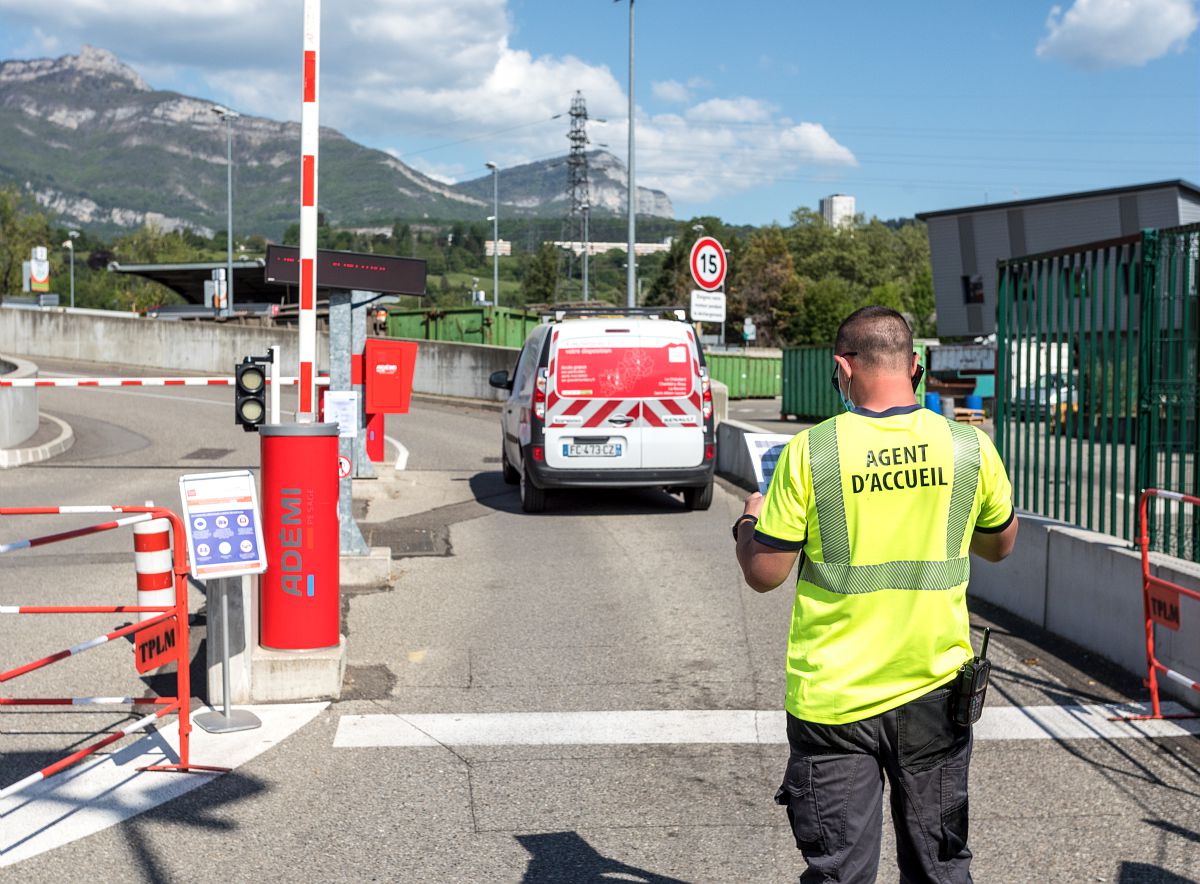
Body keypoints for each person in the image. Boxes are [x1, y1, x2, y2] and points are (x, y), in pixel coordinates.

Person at [733, 306, 1017, 883]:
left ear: (843, 367)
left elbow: (765, 573)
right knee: (939, 867)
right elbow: (999, 545)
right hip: (935, 691)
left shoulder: (812, 451)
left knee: (841, 871)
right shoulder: (969, 448)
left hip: (834, 700)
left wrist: (746, 524)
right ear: (914, 366)